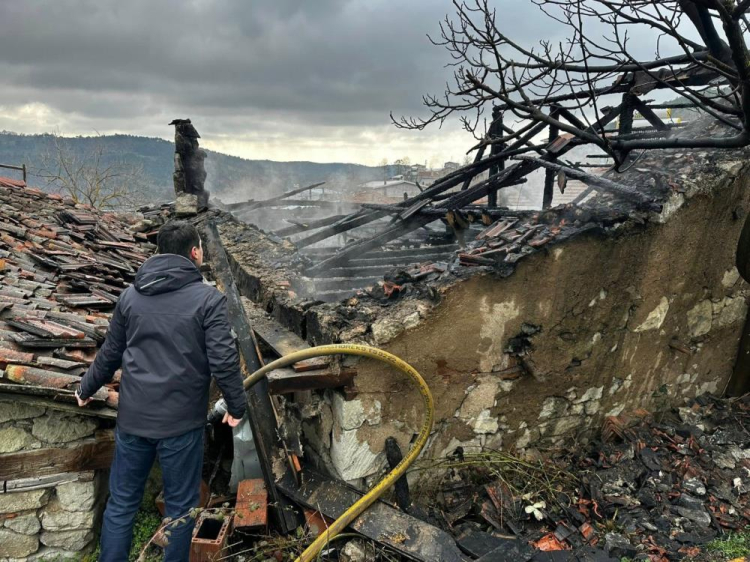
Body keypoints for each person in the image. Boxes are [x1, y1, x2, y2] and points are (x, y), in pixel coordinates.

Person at [76, 221, 247, 561]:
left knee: (122, 503)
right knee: (180, 509)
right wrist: (236, 405)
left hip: (133, 421)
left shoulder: (131, 296)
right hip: (181, 426)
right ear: (195, 253)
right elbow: (223, 359)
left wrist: (85, 387)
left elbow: (111, 352)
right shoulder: (209, 300)